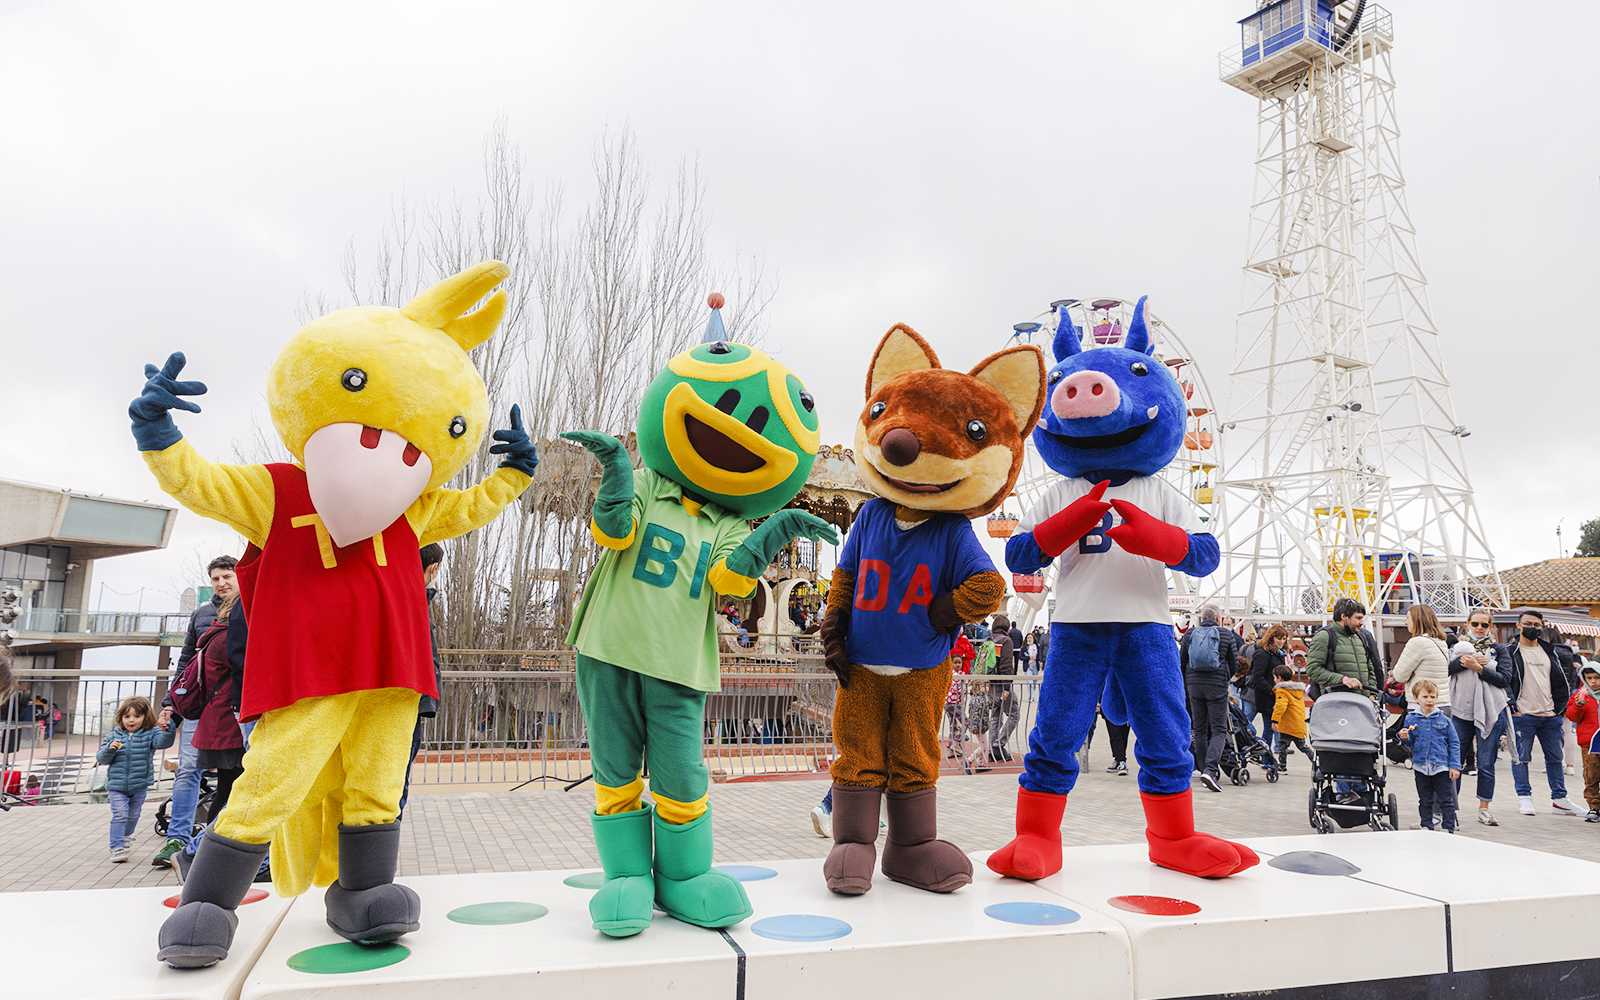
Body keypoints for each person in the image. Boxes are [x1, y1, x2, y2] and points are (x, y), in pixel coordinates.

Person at [151, 555, 237, 869]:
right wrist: (170, 704)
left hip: (233, 707)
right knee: (189, 769)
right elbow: (187, 661)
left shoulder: (252, 607)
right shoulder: (202, 614)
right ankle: (180, 837)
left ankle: (209, 847)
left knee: (233, 776)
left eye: (226, 576)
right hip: (203, 705)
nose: (221, 583)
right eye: (215, 578)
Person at [1504, 609, 1581, 817]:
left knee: (1555, 759)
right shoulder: (1510, 651)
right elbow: (1505, 681)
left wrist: (1559, 710)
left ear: (1543, 626)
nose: (1533, 628)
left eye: (1537, 625)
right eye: (1528, 624)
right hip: (1523, 715)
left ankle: (1560, 799)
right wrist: (1513, 707)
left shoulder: (1550, 651)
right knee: (1521, 758)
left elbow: (1562, 681)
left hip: (1550, 716)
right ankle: (1524, 798)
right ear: (1519, 625)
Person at [1447, 607, 1511, 826]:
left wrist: (1480, 668)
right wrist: (1465, 661)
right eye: (1475, 624)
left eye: (1484, 624)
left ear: (1490, 626)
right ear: (1468, 624)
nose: (1480, 628)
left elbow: (1505, 679)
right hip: (1461, 710)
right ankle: (1449, 808)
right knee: (1454, 760)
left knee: (1486, 763)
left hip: (1490, 710)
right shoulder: (1455, 646)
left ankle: (1484, 808)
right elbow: (1445, 670)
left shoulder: (1499, 649)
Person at [398, 543, 445, 819]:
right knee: (395, 783)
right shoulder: (412, 598)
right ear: (434, 568)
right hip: (405, 702)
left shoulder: (399, 592)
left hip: (403, 700)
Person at [97, 696, 176, 862]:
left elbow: (164, 742)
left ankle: (125, 836)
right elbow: (102, 758)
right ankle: (117, 847)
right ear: (120, 718)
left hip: (140, 784)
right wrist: (109, 750)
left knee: (133, 815)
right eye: (127, 717)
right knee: (120, 815)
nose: (131, 720)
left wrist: (168, 728)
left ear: (145, 717)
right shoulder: (113, 736)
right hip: (117, 785)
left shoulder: (151, 734)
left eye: (137, 716)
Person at [1178, 604, 1241, 792]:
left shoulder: (1189, 634)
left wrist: (1188, 682)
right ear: (1218, 617)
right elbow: (1234, 662)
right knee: (1219, 730)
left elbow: (1182, 661)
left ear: (1201, 617)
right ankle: (1211, 771)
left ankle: (1204, 768)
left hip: (1194, 687)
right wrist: (1224, 678)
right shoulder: (1226, 634)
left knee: (1199, 729)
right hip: (1217, 687)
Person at [1398, 679, 1460, 832]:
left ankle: (1448, 827)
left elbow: (1454, 743)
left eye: (1433, 697)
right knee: (1425, 799)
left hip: (1441, 766)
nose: (1429, 700)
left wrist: (1455, 766)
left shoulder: (1444, 720)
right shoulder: (1411, 719)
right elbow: (1409, 742)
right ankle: (1426, 825)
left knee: (1446, 799)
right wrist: (1404, 736)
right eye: (1425, 697)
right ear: (1416, 698)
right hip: (1421, 766)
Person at [1306, 598, 1381, 701]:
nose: (1361, 623)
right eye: (1358, 618)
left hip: (1363, 704)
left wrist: (1372, 694)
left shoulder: (1360, 637)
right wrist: (1342, 680)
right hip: (1337, 703)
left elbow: (1370, 669)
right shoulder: (1324, 637)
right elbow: (1313, 669)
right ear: (1344, 616)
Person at [1390, 605, 1452, 713]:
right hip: (1443, 703)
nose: (1406, 623)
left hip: (1422, 706)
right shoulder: (1441, 642)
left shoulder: (1417, 642)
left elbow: (1399, 676)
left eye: (1408, 618)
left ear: (1416, 620)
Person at [1566, 663, 1600, 822]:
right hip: (1590, 744)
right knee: (1591, 775)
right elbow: (1573, 717)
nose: (1593, 681)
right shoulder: (1580, 694)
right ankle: (1594, 808)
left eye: (1597, 677)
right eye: (1589, 678)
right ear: (1584, 679)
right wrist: (1579, 705)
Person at [1248, 625, 1289, 748]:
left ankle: (1267, 756)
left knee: (1273, 727)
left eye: (1284, 638)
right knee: (1269, 727)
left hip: (1276, 694)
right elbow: (1258, 676)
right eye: (1279, 638)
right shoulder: (1263, 653)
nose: (1281, 641)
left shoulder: (1279, 653)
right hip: (1267, 696)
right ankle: (1266, 757)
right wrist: (1272, 691)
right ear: (1271, 638)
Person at [988, 615, 1020, 762]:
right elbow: (1006, 665)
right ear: (1006, 626)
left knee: (995, 715)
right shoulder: (1006, 641)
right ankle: (998, 745)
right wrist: (1007, 686)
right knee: (1014, 714)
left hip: (990, 683)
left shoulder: (988, 640)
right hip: (1001, 684)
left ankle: (993, 750)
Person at [1270, 663, 1313, 770]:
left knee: (1282, 746)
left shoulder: (1282, 691)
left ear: (1279, 678)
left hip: (1288, 725)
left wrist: (1275, 721)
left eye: (1274, 677)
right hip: (1298, 724)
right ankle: (1316, 761)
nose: (1274, 680)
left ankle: (1282, 767)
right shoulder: (1296, 690)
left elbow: (1280, 707)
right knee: (1303, 747)